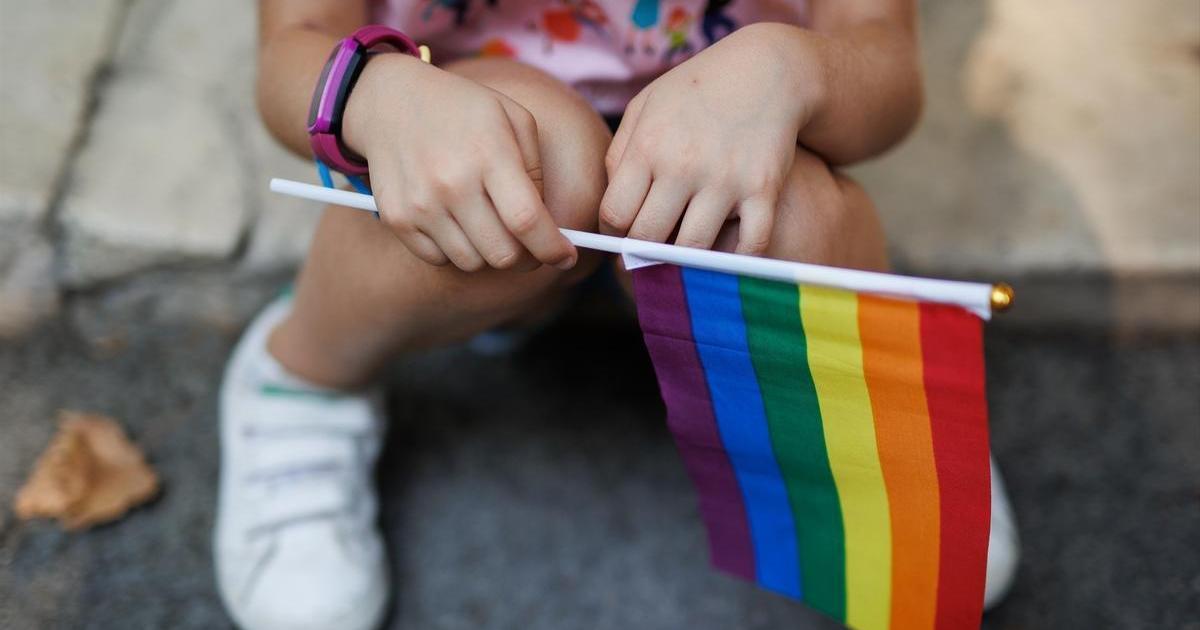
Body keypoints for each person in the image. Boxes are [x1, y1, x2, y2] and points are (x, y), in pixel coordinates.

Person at [216, 0, 1019, 628]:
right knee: (545, 170)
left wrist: (792, 68)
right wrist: (378, 96)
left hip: (740, 154)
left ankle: (860, 408)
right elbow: (294, 45)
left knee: (783, 222)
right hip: (475, 148)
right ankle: (305, 373)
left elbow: (881, 56)